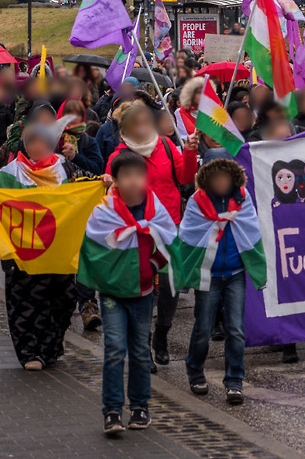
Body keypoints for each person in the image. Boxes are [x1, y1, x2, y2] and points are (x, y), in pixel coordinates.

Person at [78, 150, 176, 436]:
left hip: (144, 291)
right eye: (127, 175)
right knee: (115, 349)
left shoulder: (155, 209)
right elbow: (92, 249)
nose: (134, 181)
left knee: (140, 352)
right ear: (116, 180)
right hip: (111, 294)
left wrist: (152, 263)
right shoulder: (103, 212)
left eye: (139, 175)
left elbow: (169, 242)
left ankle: (140, 406)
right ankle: (111, 410)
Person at [105, 101, 198, 370]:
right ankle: (142, 344)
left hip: (169, 228)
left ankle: (162, 336)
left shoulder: (166, 146)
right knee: (142, 292)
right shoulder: (118, 157)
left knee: (170, 288)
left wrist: (190, 153)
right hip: (136, 233)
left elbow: (185, 177)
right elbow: (110, 196)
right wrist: (108, 182)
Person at [0, 122, 80, 370]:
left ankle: (50, 348)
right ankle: (29, 351)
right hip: (25, 254)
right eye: (32, 142)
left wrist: (101, 181)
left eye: (41, 142)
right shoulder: (10, 173)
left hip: (58, 251)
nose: (36, 147)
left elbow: (85, 187)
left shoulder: (64, 168)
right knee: (27, 303)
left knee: (63, 300)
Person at [177, 158, 266, 405]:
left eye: (225, 176)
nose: (221, 181)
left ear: (234, 176)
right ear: (206, 177)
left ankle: (234, 381)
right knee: (203, 327)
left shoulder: (243, 198)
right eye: (215, 176)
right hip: (209, 273)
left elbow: (251, 229)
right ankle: (195, 370)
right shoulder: (197, 202)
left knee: (236, 329)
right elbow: (189, 235)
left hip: (235, 272)